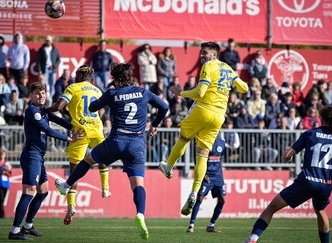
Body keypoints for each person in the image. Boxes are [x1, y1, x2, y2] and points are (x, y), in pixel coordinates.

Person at [55, 62, 169, 240]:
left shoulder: (113, 93)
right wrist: (154, 125)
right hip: (137, 144)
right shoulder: (143, 92)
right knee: (138, 185)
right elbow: (164, 107)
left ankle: (66, 185)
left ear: (114, 78)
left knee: (87, 160)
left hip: (116, 141)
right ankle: (140, 213)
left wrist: (104, 98)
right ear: (131, 77)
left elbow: (92, 108)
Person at [158, 41, 248, 216]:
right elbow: (244, 88)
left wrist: (181, 93)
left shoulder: (209, 66)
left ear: (214, 55)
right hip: (219, 117)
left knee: (184, 137)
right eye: (201, 53)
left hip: (204, 109)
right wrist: (232, 84)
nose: (202, 56)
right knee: (202, 155)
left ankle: (168, 167)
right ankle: (194, 192)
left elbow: (199, 93)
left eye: (205, 53)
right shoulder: (228, 68)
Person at [244, 105, 332, 243]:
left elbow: (287, 156)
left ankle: (252, 239)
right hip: (326, 184)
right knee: (320, 211)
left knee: (272, 207)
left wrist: (288, 155)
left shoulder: (310, 133)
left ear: (321, 119)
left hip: (307, 181)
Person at [8, 82, 83, 240]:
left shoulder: (43, 110)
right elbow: (48, 130)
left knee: (43, 192)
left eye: (43, 93)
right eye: (37, 93)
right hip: (31, 156)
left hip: (39, 157)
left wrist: (76, 126)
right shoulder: (32, 111)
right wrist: (70, 138)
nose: (41, 96)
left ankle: (28, 226)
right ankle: (14, 231)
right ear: (31, 95)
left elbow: (59, 121)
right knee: (29, 192)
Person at [47, 65, 111, 225]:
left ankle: (71, 207)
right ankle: (105, 188)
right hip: (97, 129)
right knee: (102, 156)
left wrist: (44, 110)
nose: (74, 77)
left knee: (74, 170)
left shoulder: (73, 88)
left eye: (76, 74)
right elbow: (102, 111)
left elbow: (58, 107)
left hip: (80, 132)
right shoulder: (97, 90)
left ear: (81, 75)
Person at [186, 133, 226, 233]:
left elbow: (221, 160)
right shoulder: (206, 142)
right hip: (207, 175)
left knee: (222, 200)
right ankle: (191, 225)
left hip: (218, 176)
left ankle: (211, 225)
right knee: (199, 198)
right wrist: (202, 174)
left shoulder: (222, 143)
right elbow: (197, 159)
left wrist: (222, 176)